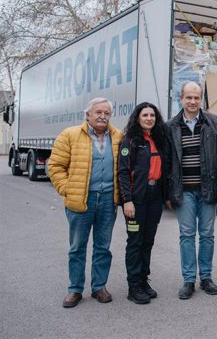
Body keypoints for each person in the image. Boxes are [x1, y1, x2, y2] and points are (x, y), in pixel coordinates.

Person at [48, 98, 124, 308]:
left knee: (103, 246)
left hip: (109, 201)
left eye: (107, 113)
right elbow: (55, 166)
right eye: (98, 112)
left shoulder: (118, 137)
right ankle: (75, 289)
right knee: (77, 247)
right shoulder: (70, 135)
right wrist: (67, 189)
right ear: (88, 115)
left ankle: (99, 286)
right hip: (81, 201)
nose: (102, 116)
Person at [166, 81, 217, 300]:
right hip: (183, 190)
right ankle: (188, 280)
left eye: (197, 98)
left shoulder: (215, 123)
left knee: (207, 235)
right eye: (189, 97)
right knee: (187, 235)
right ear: (181, 99)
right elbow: (167, 160)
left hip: (208, 188)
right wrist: (166, 192)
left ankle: (206, 277)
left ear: (201, 99)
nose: (193, 101)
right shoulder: (170, 127)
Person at [117, 102, 169, 304]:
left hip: (154, 197)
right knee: (135, 241)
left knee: (148, 241)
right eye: (145, 115)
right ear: (137, 118)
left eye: (152, 115)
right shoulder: (130, 141)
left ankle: (143, 280)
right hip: (136, 200)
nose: (149, 118)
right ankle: (134, 286)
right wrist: (127, 200)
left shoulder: (158, 139)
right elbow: (122, 172)